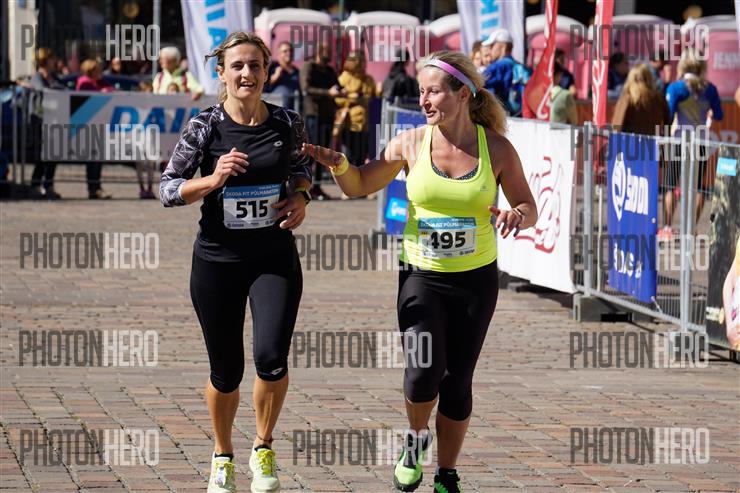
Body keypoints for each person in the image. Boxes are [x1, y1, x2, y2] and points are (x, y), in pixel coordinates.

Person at [303, 50, 537, 493]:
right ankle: (415, 438)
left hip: (475, 278)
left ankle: (447, 474)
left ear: (463, 94)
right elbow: (359, 184)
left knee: (458, 381)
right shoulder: (410, 143)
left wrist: (516, 216)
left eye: (433, 91)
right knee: (422, 371)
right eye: (421, 91)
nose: (424, 100)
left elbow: (528, 206)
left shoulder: (497, 149)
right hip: (421, 275)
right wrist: (340, 166)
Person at [160, 31, 313, 493]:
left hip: (273, 259)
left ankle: (263, 447)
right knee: (226, 371)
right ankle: (222, 454)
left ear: (267, 71)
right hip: (218, 262)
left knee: (271, 359)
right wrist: (212, 179)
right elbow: (168, 188)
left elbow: (301, 168)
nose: (247, 74)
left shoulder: (287, 122)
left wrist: (302, 197)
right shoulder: (205, 126)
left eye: (255, 65)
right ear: (221, 73)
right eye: (238, 66)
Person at [661, 47, 724, 240]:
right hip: (700, 143)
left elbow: (668, 114)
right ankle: (690, 229)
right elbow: (719, 115)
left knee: (670, 184)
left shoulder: (676, 88)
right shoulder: (710, 89)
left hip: (679, 141)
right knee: (698, 187)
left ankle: (668, 227)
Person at [299, 43, 345, 200]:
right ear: (318, 51)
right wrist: (328, 92)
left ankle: (317, 187)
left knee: (323, 152)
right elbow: (306, 88)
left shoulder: (329, 70)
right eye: (326, 51)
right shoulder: (308, 66)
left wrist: (341, 91)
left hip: (328, 115)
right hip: (313, 114)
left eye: (330, 51)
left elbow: (337, 86)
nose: (329, 54)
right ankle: (304, 185)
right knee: (311, 151)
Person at [29, 47, 65, 200]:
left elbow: (64, 88)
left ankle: (48, 184)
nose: (54, 61)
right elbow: (41, 89)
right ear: (45, 60)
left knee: (54, 154)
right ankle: (35, 184)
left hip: (55, 119)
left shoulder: (54, 77)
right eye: (51, 58)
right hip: (41, 119)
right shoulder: (37, 77)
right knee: (42, 155)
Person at [76, 59, 113, 199]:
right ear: (91, 71)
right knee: (92, 159)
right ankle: (93, 187)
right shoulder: (84, 82)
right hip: (88, 126)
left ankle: (95, 187)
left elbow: (111, 89)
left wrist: (106, 90)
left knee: (97, 159)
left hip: (99, 126)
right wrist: (101, 92)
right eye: (97, 70)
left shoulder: (99, 82)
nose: (100, 72)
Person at [482, 29, 530, 116]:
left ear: (503, 47)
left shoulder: (499, 66)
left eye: (492, 46)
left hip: (505, 118)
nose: (490, 50)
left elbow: (477, 82)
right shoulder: (518, 65)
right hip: (521, 116)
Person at [611, 64, 669, 135]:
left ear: (630, 79)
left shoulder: (627, 99)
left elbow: (617, 127)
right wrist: (665, 139)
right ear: (650, 79)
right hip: (653, 140)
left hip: (631, 141)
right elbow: (667, 125)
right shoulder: (660, 99)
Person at [265, 41, 300, 110]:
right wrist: (275, 77)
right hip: (277, 108)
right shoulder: (272, 67)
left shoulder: (297, 71)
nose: (289, 53)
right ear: (279, 53)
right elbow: (263, 86)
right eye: (285, 51)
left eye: (290, 50)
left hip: (295, 109)